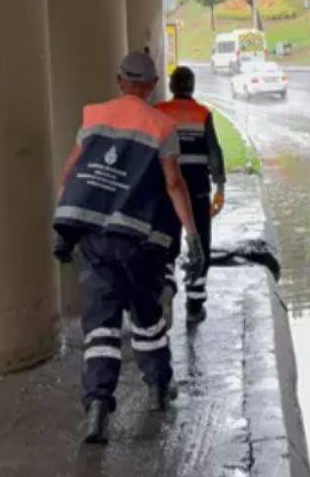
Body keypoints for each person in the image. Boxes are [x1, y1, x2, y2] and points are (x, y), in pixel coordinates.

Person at [52, 52, 204, 445]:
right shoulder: (161, 125)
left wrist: (64, 226)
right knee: (147, 316)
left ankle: (98, 406)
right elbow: (173, 184)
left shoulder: (93, 116)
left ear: (119, 80)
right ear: (153, 85)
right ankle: (156, 389)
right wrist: (192, 234)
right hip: (137, 240)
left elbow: (70, 174)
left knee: (100, 326)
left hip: (94, 240)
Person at [156, 66, 226, 323]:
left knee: (166, 241)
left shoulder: (160, 112)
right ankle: (195, 305)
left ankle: (165, 286)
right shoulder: (201, 114)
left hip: (166, 189)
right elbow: (215, 153)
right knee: (200, 243)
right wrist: (220, 186)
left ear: (172, 87)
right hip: (197, 189)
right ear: (192, 87)